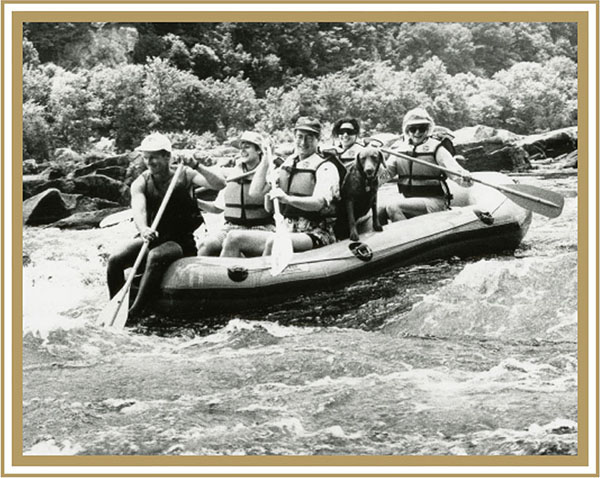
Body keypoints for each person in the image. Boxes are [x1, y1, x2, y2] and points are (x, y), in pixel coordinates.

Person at [106, 132, 226, 318]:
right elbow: (139, 210)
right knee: (115, 259)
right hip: (153, 237)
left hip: (180, 242)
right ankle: (116, 305)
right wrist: (144, 229)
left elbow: (219, 185)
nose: (149, 162)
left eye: (153, 157)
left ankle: (137, 311)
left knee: (156, 256)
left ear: (167, 156)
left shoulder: (185, 174)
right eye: (146, 157)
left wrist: (196, 165)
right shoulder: (141, 182)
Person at [220, 116, 341, 257]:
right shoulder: (287, 164)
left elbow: (318, 204)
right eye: (299, 137)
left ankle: (264, 277)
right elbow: (255, 192)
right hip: (286, 231)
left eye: (309, 137)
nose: (303, 142)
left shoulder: (326, 167)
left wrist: (287, 199)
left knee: (274, 241)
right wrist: (266, 157)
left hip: (317, 233)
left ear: (317, 139)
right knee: (234, 238)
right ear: (294, 137)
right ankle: (224, 277)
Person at [381, 107, 472, 222]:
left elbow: (456, 172)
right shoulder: (399, 150)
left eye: (422, 128)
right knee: (380, 210)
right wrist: (370, 180)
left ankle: (410, 238)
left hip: (434, 201)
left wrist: (465, 177)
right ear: (407, 130)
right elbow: (385, 175)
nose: (417, 133)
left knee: (394, 207)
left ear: (428, 129)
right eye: (413, 129)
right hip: (410, 200)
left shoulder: (437, 148)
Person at [197, 131, 274, 257]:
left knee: (233, 239)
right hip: (231, 228)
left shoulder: (271, 173)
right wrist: (195, 201)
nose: (242, 150)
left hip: (261, 228)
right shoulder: (234, 175)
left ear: (260, 151)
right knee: (206, 245)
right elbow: (216, 208)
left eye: (247, 147)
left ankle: (225, 272)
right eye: (241, 147)